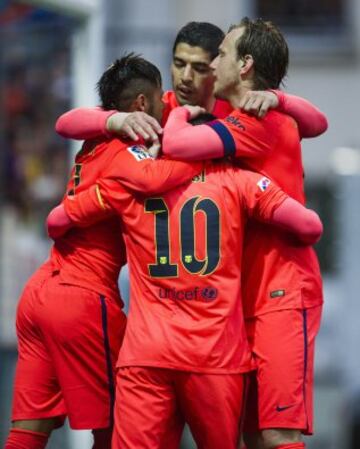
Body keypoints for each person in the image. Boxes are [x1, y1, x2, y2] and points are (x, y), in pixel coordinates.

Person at [46, 110, 323, 449]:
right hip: (215, 356)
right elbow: (310, 226)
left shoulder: (131, 185)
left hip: (147, 354)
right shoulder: (238, 181)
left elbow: (57, 220)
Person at [4, 54, 202, 449]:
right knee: (119, 429)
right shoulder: (126, 149)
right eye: (159, 100)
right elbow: (159, 176)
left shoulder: (95, 138)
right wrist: (211, 156)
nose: (167, 104)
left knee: (27, 433)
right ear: (141, 106)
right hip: (82, 298)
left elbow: (69, 122)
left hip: (40, 295)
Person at [161, 18, 325, 449]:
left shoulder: (259, 121)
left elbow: (177, 145)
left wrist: (178, 115)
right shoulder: (239, 114)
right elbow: (316, 121)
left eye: (222, 54)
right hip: (242, 299)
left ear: (245, 64)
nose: (212, 64)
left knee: (277, 434)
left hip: (283, 294)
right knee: (252, 434)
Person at [54, 21, 328, 143]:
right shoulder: (156, 109)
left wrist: (279, 98)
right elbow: (65, 124)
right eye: (178, 63)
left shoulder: (245, 110)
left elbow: (317, 124)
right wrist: (115, 120)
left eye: (198, 67)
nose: (185, 77)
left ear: (217, 67)